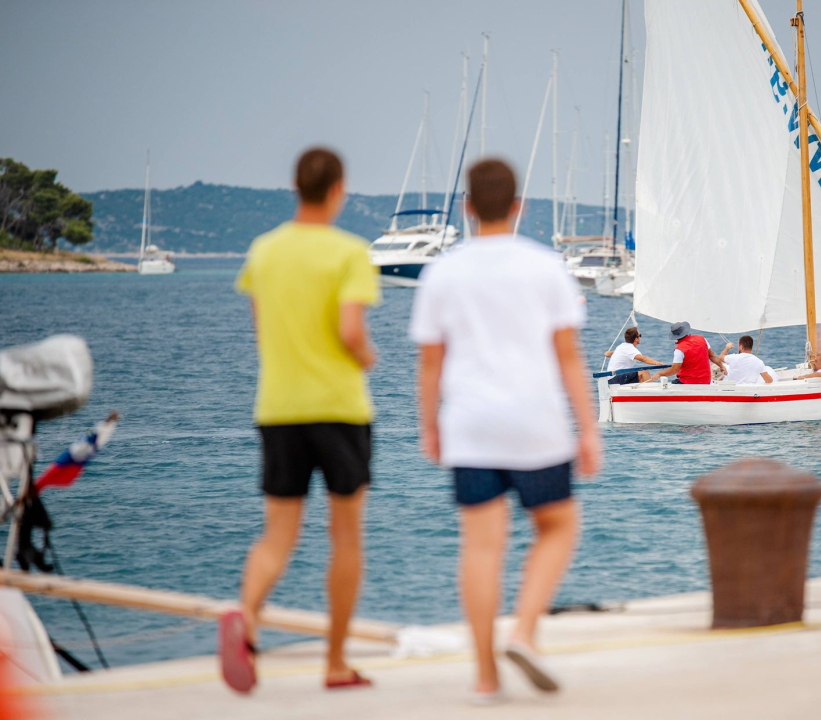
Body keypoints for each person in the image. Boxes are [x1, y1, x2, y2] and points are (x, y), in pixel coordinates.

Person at [410, 158, 602, 703]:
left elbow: (430, 364)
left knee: (481, 546)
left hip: (469, 422)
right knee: (558, 526)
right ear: (517, 207)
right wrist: (588, 429)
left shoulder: (442, 271)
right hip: (535, 422)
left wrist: (430, 427)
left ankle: (485, 676)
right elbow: (568, 357)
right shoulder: (545, 266)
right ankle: (523, 631)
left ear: (467, 208)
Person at [221, 148, 380, 693]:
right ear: (338, 189)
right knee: (345, 538)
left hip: (279, 408)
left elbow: (262, 328)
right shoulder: (350, 252)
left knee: (278, 536)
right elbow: (351, 331)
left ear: (295, 186)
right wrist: (366, 359)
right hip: (338, 408)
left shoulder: (264, 252)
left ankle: (247, 614)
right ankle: (335, 664)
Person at [649, 321, 726, 384]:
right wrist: (722, 366)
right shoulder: (702, 339)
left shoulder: (679, 349)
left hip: (687, 382)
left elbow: (674, 370)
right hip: (705, 381)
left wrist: (659, 373)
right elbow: (712, 356)